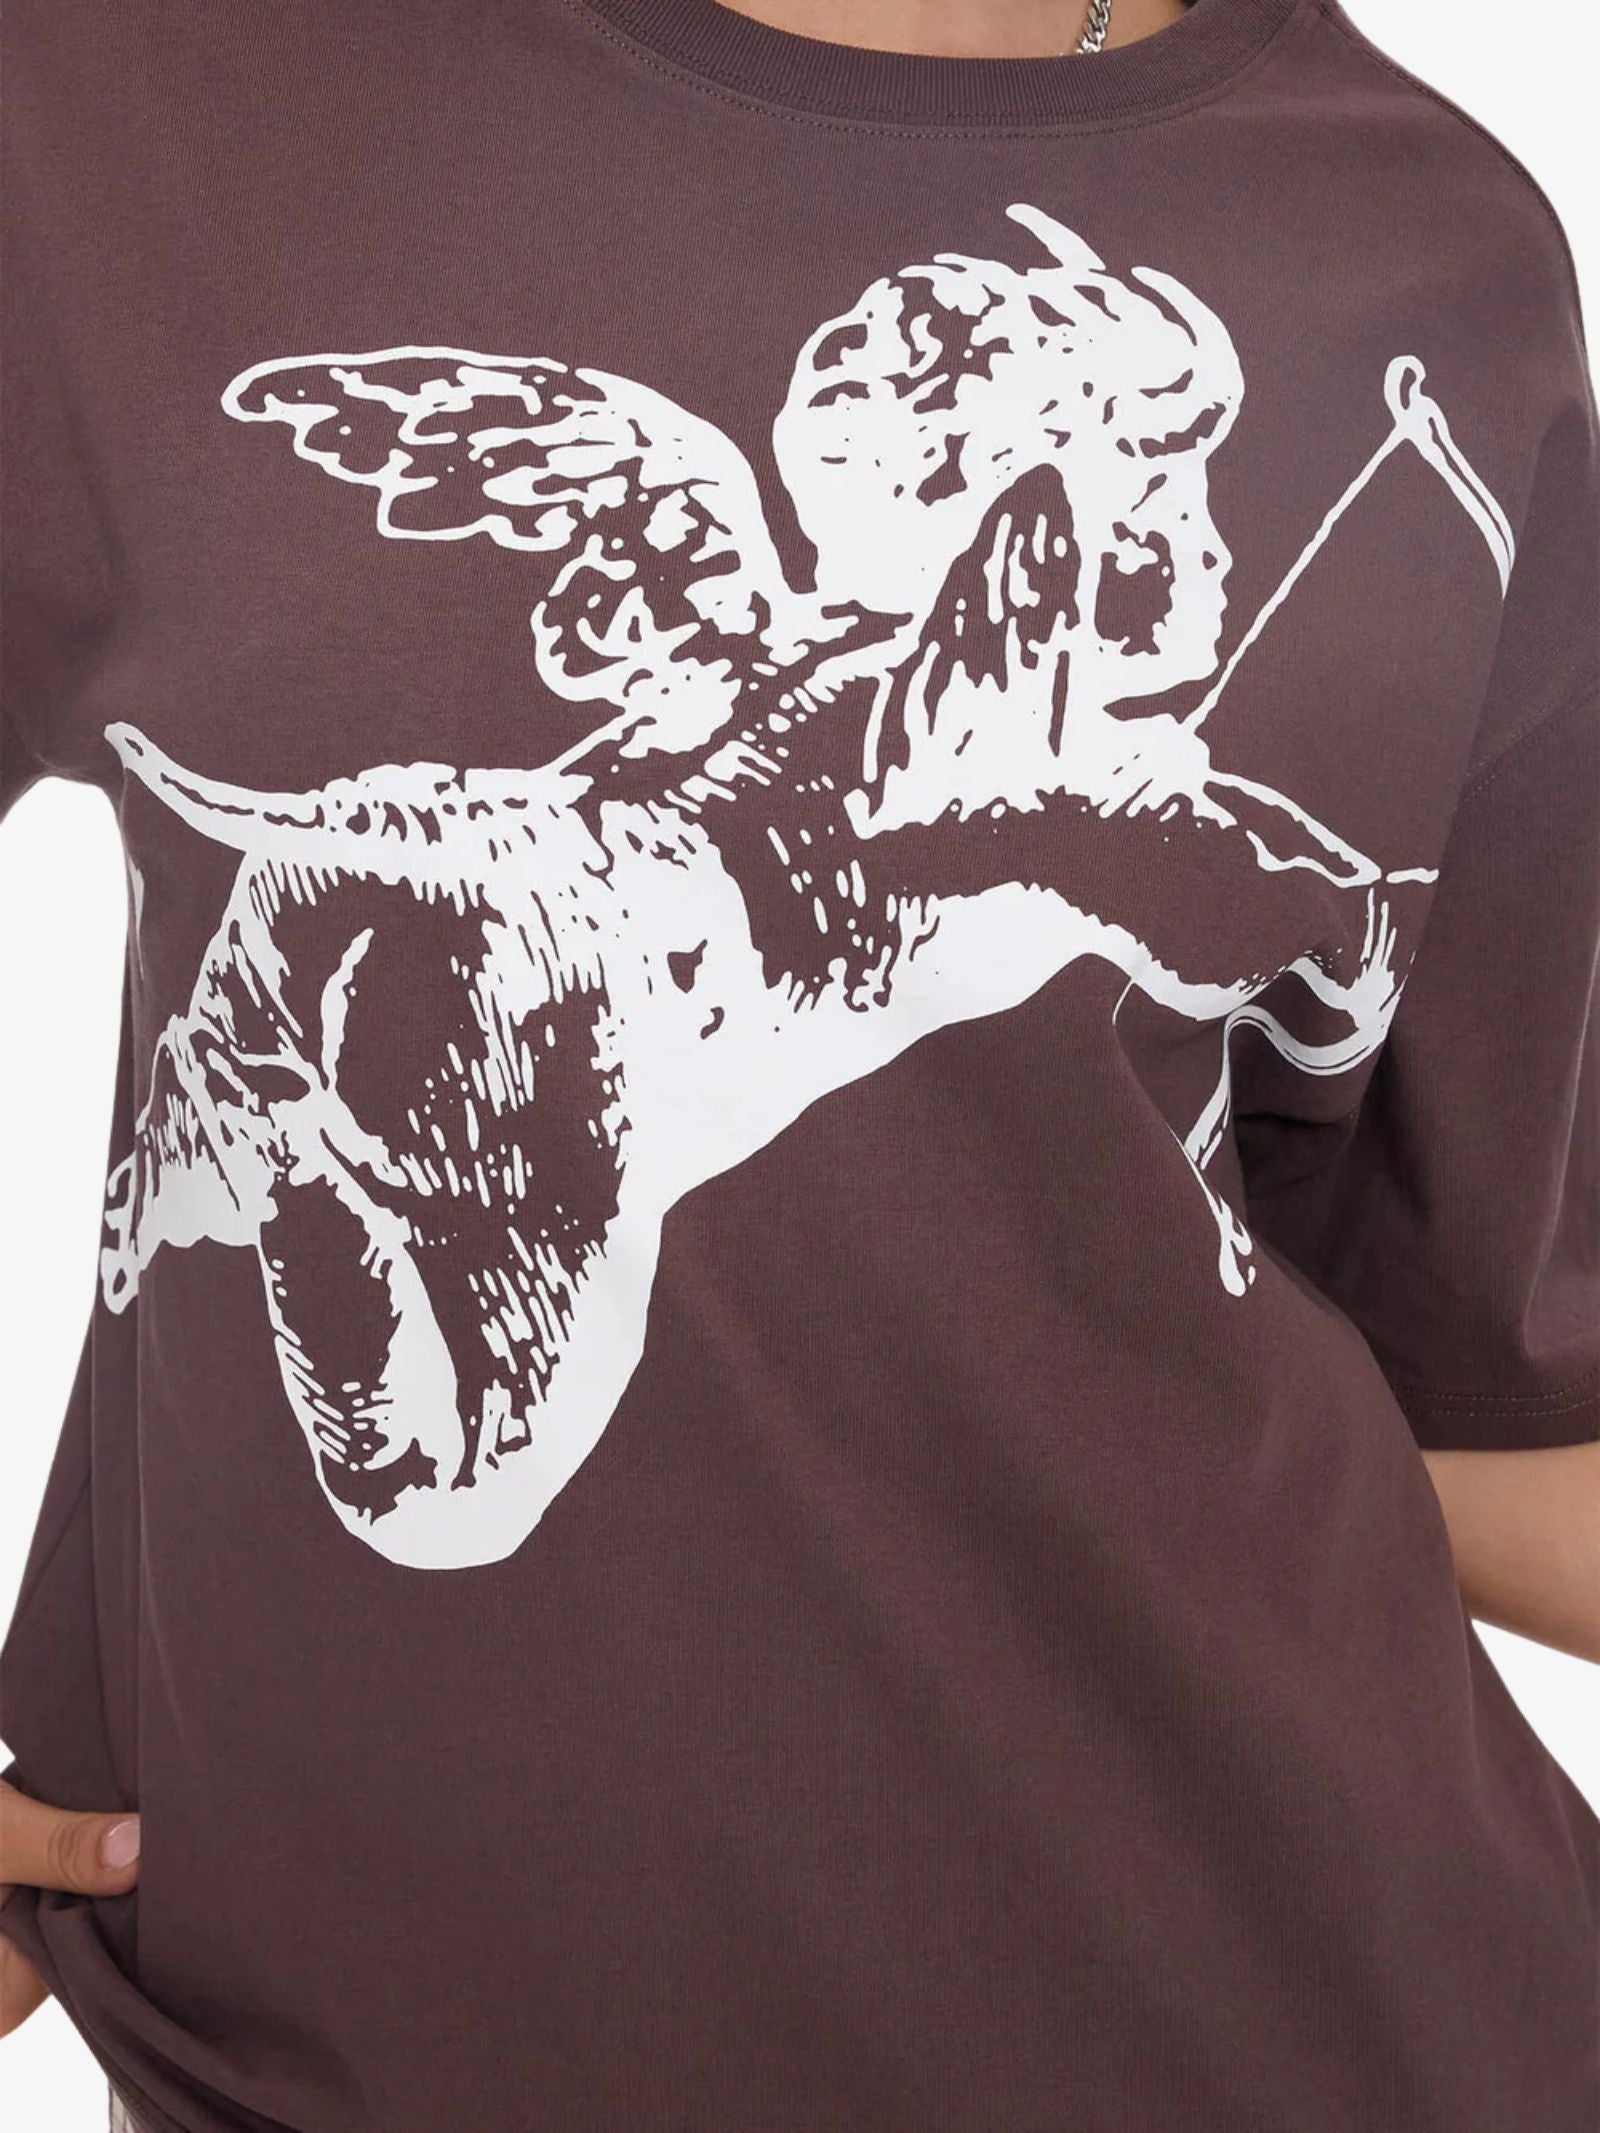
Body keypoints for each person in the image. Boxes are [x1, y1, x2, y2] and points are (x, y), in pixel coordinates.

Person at [1, 0, 1595, 2125]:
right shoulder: (133, 94)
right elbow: (1199, 878)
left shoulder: (1426, 242)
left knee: (438, 1466)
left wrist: (1313, 926)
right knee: (450, 1471)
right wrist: (1309, 894)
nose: (1213, 555)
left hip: (1321, 2026)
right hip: (557, 993)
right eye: (1166, 509)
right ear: (1033, 534)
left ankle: (288, 1136)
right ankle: (292, 1128)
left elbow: (1455, 1368)